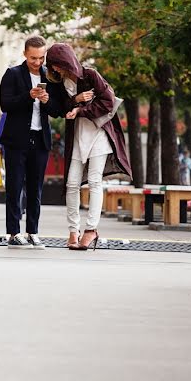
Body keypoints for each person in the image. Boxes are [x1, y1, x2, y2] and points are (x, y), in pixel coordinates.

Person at [44, 43, 132, 250]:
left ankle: (91, 230)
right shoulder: (60, 82)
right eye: (52, 66)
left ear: (66, 60)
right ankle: (73, 231)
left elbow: (108, 102)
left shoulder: (90, 75)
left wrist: (81, 110)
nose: (55, 69)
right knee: (72, 184)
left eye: (57, 64)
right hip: (78, 136)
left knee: (94, 181)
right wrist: (76, 99)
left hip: (99, 134)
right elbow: (60, 107)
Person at [0, 36, 60, 249]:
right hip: (16, 140)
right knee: (15, 187)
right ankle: (14, 232)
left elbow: (57, 110)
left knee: (36, 189)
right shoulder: (12, 74)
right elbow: (5, 104)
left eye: (41, 57)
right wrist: (28, 96)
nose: (37, 62)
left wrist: (47, 100)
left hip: (40, 139)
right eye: (33, 58)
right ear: (25, 54)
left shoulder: (49, 78)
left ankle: (33, 231)